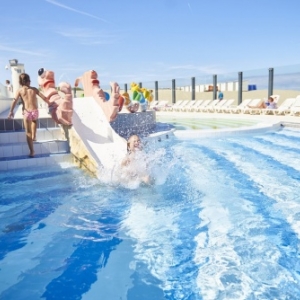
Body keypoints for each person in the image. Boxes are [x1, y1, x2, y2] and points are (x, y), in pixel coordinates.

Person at [7, 73, 50, 157]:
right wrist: (50, 103)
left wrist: (11, 111)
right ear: (27, 81)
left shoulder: (20, 90)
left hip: (26, 112)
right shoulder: (34, 89)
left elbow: (14, 100)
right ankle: (34, 136)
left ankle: (32, 151)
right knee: (34, 121)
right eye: (29, 80)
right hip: (35, 111)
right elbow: (44, 97)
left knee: (28, 132)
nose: (30, 82)